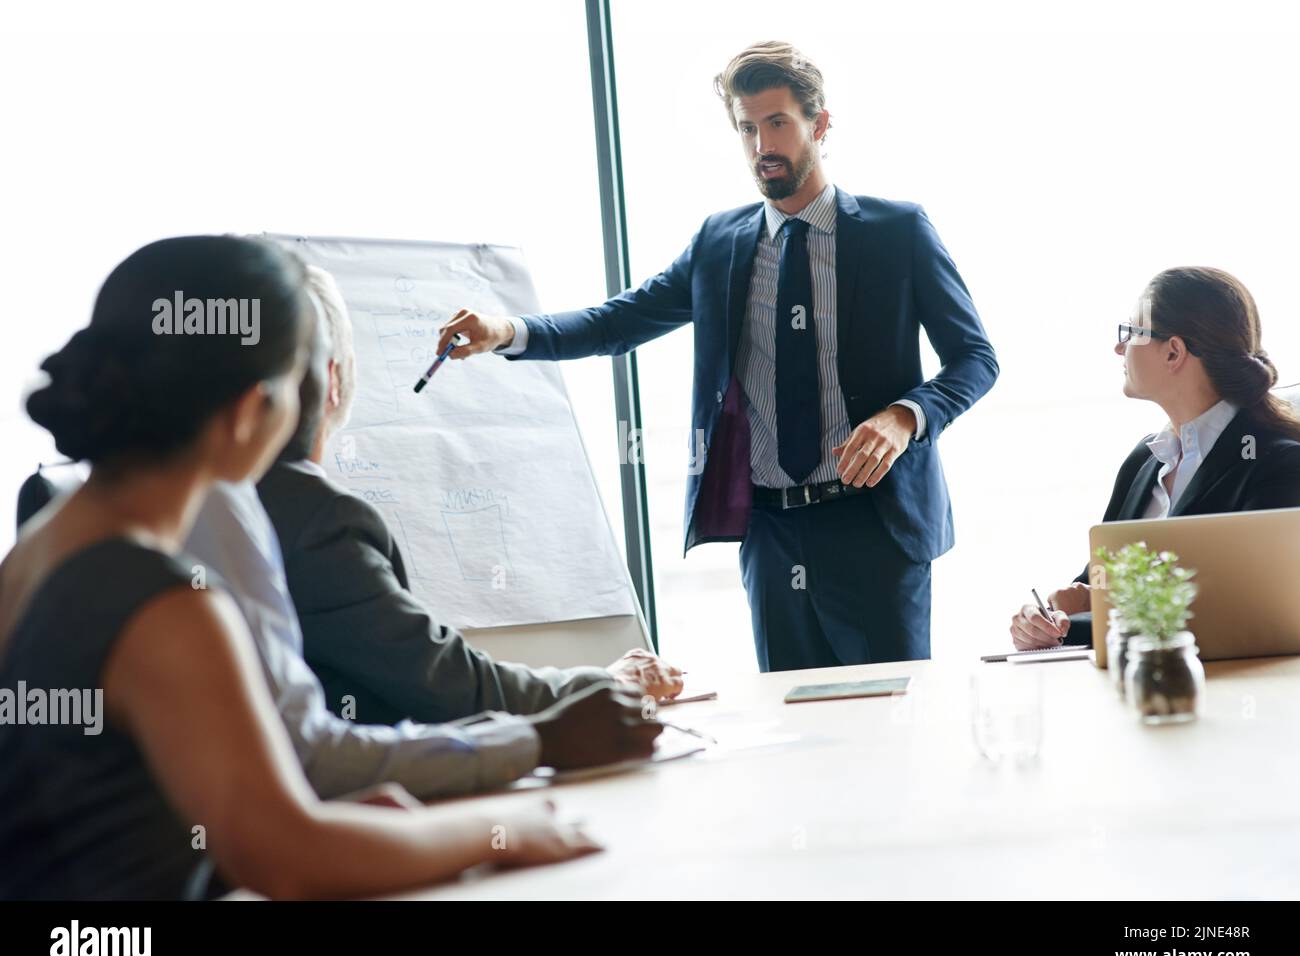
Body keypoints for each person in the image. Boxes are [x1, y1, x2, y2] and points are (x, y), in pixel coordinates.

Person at [0, 236, 625, 899]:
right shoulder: (168, 606)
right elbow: (288, 858)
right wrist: (502, 829)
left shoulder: (38, 550)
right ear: (251, 412)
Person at [435, 41, 998, 671]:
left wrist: (904, 417)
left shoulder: (897, 232)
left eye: (778, 123)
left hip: (874, 523)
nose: (763, 147)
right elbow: (616, 322)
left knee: (895, 725)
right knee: (798, 735)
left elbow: (975, 359)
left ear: (821, 123)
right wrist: (506, 330)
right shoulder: (719, 243)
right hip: (769, 535)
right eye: (747, 129)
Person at [255, 264, 684, 731]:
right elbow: (456, 689)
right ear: (334, 383)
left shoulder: (210, 507)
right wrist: (611, 681)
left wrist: (502, 330)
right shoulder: (320, 525)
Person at [1009, 266, 1300, 651]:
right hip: (1143, 690)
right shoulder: (1144, 462)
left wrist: (1084, 616)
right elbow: (1091, 589)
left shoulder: (1277, 465)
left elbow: (1240, 619)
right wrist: (1048, 623)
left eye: (1130, 333)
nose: (1119, 348)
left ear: (1174, 352)